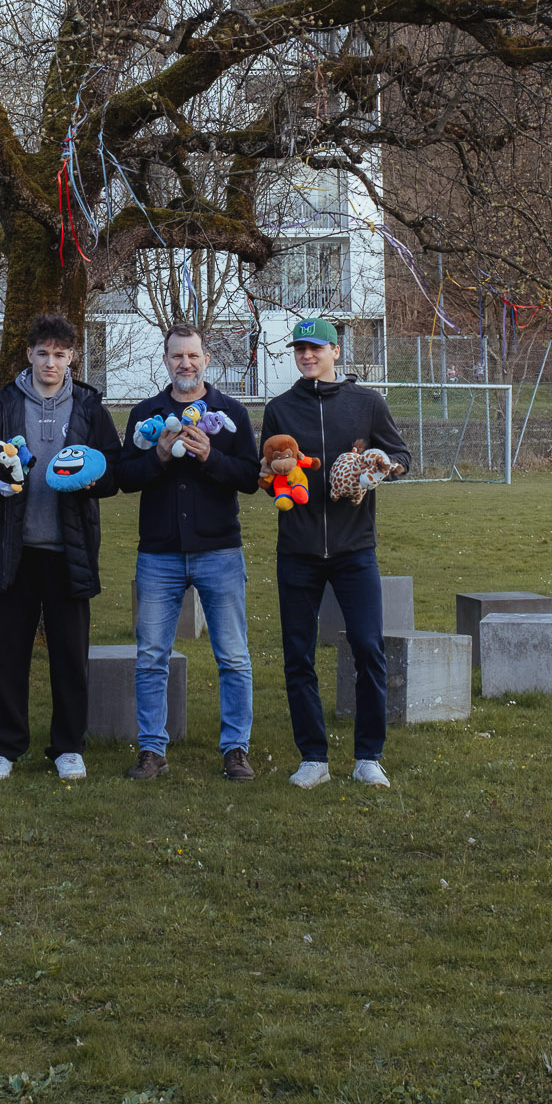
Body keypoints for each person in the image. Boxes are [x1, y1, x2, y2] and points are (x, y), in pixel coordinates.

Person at [0, 313, 120, 783]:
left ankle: (68, 747)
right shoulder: (1, 404)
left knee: (70, 656)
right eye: (43, 353)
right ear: (29, 353)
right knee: (7, 656)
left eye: (60, 354)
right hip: (14, 549)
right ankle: (4, 747)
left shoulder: (89, 406)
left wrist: (91, 482)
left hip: (70, 551)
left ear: (72, 357)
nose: (51, 362)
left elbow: (115, 470)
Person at [262, 315, 411, 789]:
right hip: (298, 550)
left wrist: (382, 467)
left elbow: (400, 455)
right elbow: (268, 470)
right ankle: (313, 758)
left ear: (335, 352)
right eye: (300, 349)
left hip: (354, 549)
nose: (307, 356)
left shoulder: (367, 403)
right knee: (298, 655)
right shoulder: (280, 408)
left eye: (316, 348)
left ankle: (369, 756)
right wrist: (271, 477)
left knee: (368, 648)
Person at [118, 322, 260, 781]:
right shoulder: (145, 414)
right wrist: (158, 457)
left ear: (206, 360)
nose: (185, 363)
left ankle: (236, 749)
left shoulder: (230, 413)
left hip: (219, 550)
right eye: (177, 356)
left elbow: (249, 478)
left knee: (233, 656)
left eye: (193, 355)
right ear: (165, 360)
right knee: (151, 656)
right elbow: (124, 478)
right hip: (159, 553)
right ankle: (152, 750)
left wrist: (209, 456)